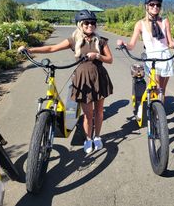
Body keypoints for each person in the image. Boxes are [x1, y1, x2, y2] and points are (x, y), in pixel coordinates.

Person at [18, 9, 113, 153]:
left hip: (99, 78)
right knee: (88, 115)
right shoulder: (73, 40)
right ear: (80, 24)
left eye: (92, 23)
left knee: (99, 112)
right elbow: (51, 48)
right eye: (86, 23)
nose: (90, 25)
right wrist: (29, 50)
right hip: (83, 80)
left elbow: (110, 59)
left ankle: (97, 137)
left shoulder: (101, 41)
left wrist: (97, 56)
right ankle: (88, 139)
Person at [116, 0, 174, 102]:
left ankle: (160, 113)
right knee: (154, 87)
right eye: (152, 4)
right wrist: (124, 45)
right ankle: (151, 109)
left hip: (165, 56)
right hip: (151, 57)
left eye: (158, 5)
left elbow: (169, 42)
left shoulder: (165, 21)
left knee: (162, 90)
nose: (155, 7)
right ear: (146, 6)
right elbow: (131, 45)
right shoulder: (140, 24)